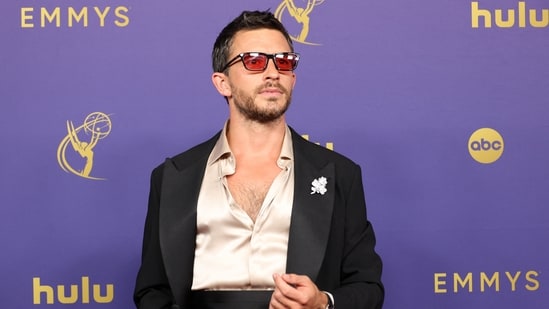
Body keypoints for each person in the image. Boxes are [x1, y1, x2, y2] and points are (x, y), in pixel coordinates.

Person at [134, 10, 384, 309]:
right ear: (222, 83)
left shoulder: (340, 174)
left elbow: (367, 287)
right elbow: (152, 290)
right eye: (254, 61)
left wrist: (322, 303)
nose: (273, 73)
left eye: (284, 62)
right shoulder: (172, 176)